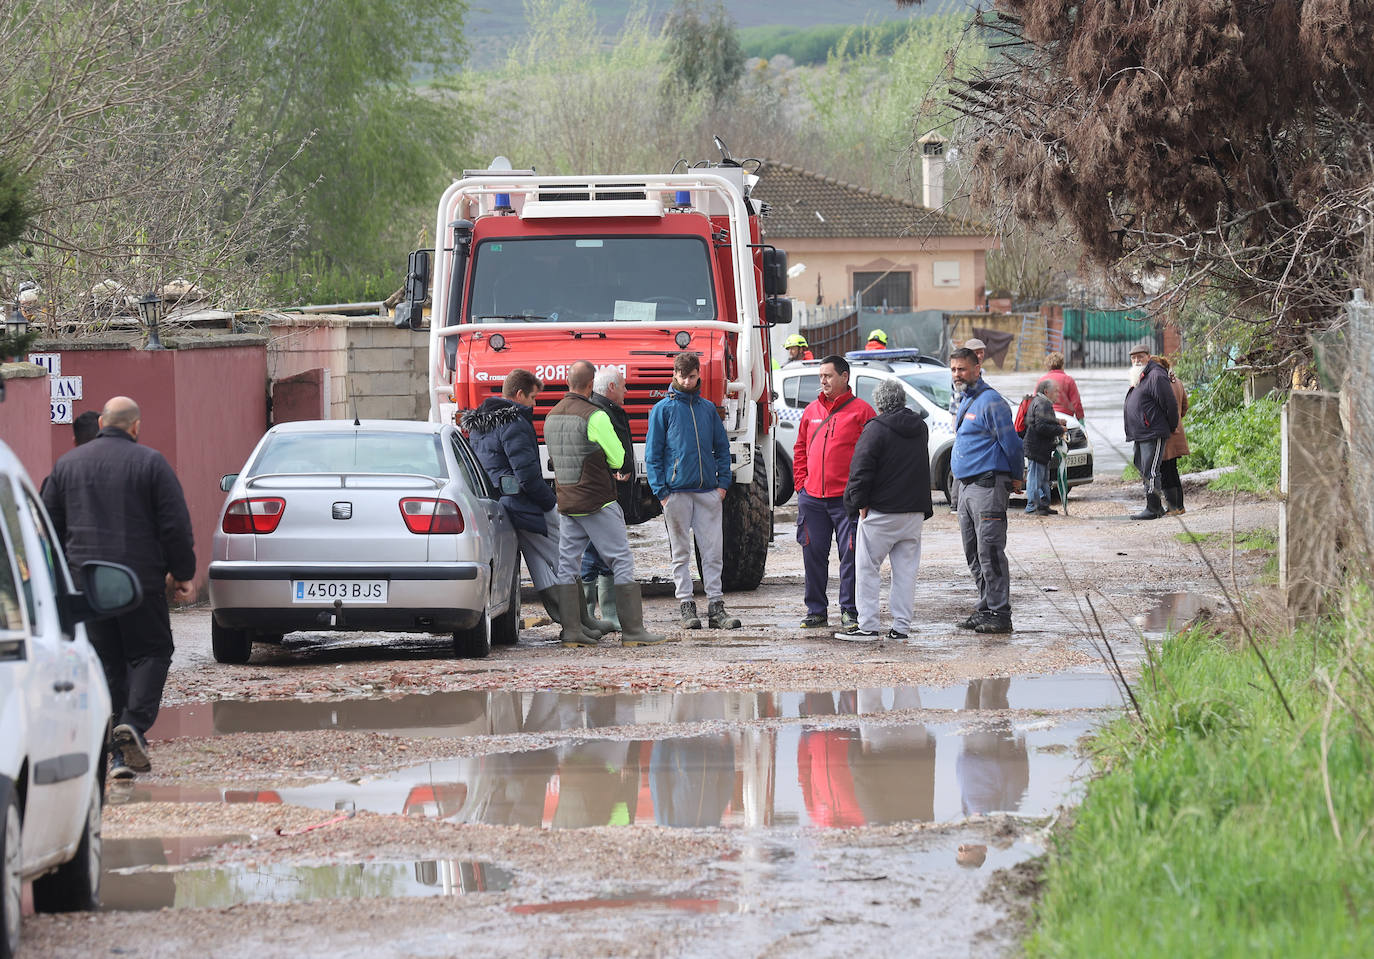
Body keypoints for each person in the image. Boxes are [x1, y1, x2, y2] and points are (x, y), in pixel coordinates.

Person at [41, 396, 195, 781]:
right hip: (139, 582)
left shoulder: (67, 465)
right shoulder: (151, 463)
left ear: (103, 423)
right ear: (135, 426)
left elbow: (49, 531)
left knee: (107, 661)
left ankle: (118, 752)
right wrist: (182, 572)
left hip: (87, 586)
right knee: (152, 653)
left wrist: (60, 582)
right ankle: (133, 727)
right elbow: (174, 524)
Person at [460, 369, 610, 639]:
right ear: (518, 395)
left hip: (504, 506)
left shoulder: (480, 424)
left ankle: (574, 624)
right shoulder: (514, 422)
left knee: (540, 564)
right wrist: (552, 502)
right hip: (526, 503)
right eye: (533, 397)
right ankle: (578, 624)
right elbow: (528, 475)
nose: (535, 404)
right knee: (566, 559)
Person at [544, 360, 666, 647]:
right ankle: (634, 631)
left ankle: (573, 632)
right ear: (590, 385)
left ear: (567, 383)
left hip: (567, 501)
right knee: (621, 559)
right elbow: (618, 457)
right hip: (598, 500)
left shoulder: (551, 416)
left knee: (568, 564)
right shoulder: (595, 416)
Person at [645, 352, 742, 630]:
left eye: (691, 375)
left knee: (712, 551)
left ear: (698, 374)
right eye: (683, 376)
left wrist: (722, 485)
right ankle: (686, 606)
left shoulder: (707, 409)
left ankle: (715, 606)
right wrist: (662, 492)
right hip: (676, 492)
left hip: (706, 491)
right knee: (681, 552)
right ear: (675, 375)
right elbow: (653, 454)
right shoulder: (663, 410)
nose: (688, 380)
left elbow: (722, 448)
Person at [836, 378, 932, 641]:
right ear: (902, 401)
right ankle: (901, 627)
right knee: (905, 572)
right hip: (913, 512)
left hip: (881, 512)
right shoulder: (920, 427)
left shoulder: (875, 429)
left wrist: (858, 503)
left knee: (867, 569)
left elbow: (860, 469)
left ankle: (868, 625)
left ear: (878, 403)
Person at [792, 354, 876, 628]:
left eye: (828, 376)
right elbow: (800, 449)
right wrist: (801, 485)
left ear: (844, 377)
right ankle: (816, 611)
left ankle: (849, 610)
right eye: (821, 377)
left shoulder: (862, 411)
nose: (823, 381)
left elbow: (873, 455)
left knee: (850, 557)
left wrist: (863, 494)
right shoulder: (811, 411)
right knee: (813, 555)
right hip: (812, 499)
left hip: (846, 501)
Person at [949, 347, 1023, 634]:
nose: (957, 374)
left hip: (988, 487)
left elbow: (1013, 444)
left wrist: (1017, 478)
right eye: (954, 369)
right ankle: (986, 607)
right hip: (967, 488)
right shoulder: (966, 399)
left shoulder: (992, 401)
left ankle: (1000, 614)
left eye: (962, 369)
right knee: (973, 553)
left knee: (990, 550)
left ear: (977, 367)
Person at [580, 366, 637, 629]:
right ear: (612, 388)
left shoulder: (604, 409)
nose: (627, 390)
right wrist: (618, 469)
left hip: (609, 492)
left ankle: (602, 613)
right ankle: (594, 612)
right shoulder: (600, 413)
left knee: (601, 550)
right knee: (596, 550)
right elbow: (606, 451)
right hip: (603, 493)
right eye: (623, 385)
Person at [1123, 341, 1179, 520]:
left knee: (1152, 470)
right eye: (1134, 358)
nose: (1137, 360)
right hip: (1141, 433)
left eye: (1140, 357)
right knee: (1143, 468)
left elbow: (1170, 404)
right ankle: (1156, 507)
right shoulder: (1141, 375)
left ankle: (1153, 508)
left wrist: (1170, 427)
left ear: (1148, 357)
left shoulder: (1156, 375)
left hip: (1153, 432)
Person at [1022, 379, 1066, 517]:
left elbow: (1039, 421)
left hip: (1039, 448)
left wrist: (1057, 421)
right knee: (1035, 478)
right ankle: (1032, 506)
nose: (1058, 394)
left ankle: (1043, 505)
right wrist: (1060, 429)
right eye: (1056, 391)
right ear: (1047, 392)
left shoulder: (1038, 401)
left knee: (1042, 479)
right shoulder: (1043, 403)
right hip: (1037, 448)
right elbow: (1041, 426)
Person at [1155, 355, 1189, 515]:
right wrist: (1178, 420)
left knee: (1165, 470)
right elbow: (1185, 406)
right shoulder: (1178, 382)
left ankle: (1173, 507)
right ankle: (1179, 505)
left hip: (1166, 432)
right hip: (1177, 432)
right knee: (1172, 469)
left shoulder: (1162, 384)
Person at [1038, 351, 1084, 420]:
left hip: (1046, 418)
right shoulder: (1069, 380)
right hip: (1066, 418)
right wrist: (1080, 418)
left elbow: (1036, 401)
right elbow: (1076, 403)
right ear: (1062, 364)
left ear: (1047, 365)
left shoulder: (1042, 380)